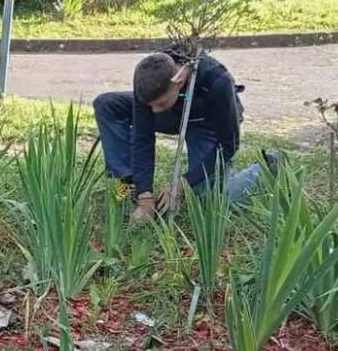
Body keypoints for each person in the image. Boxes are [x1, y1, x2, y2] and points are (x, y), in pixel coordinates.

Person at [92, 49, 272, 226]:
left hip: (207, 122)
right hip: (173, 113)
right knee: (106, 104)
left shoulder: (217, 80)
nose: (153, 111)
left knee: (210, 200)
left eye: (160, 103)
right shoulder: (148, 77)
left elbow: (228, 145)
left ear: (177, 81)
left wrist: (183, 184)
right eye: (151, 106)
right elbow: (143, 137)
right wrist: (144, 194)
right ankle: (128, 184)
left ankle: (267, 169)